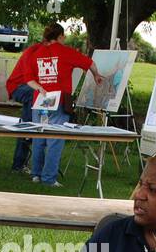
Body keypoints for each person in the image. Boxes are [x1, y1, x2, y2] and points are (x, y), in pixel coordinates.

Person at [9, 23, 104, 186]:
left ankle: (36, 174)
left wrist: (39, 87)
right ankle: (49, 178)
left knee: (39, 137)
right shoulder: (65, 52)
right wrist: (96, 75)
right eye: (63, 36)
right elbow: (90, 64)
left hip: (40, 100)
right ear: (59, 36)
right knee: (55, 140)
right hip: (58, 101)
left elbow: (28, 79)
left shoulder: (36, 53)